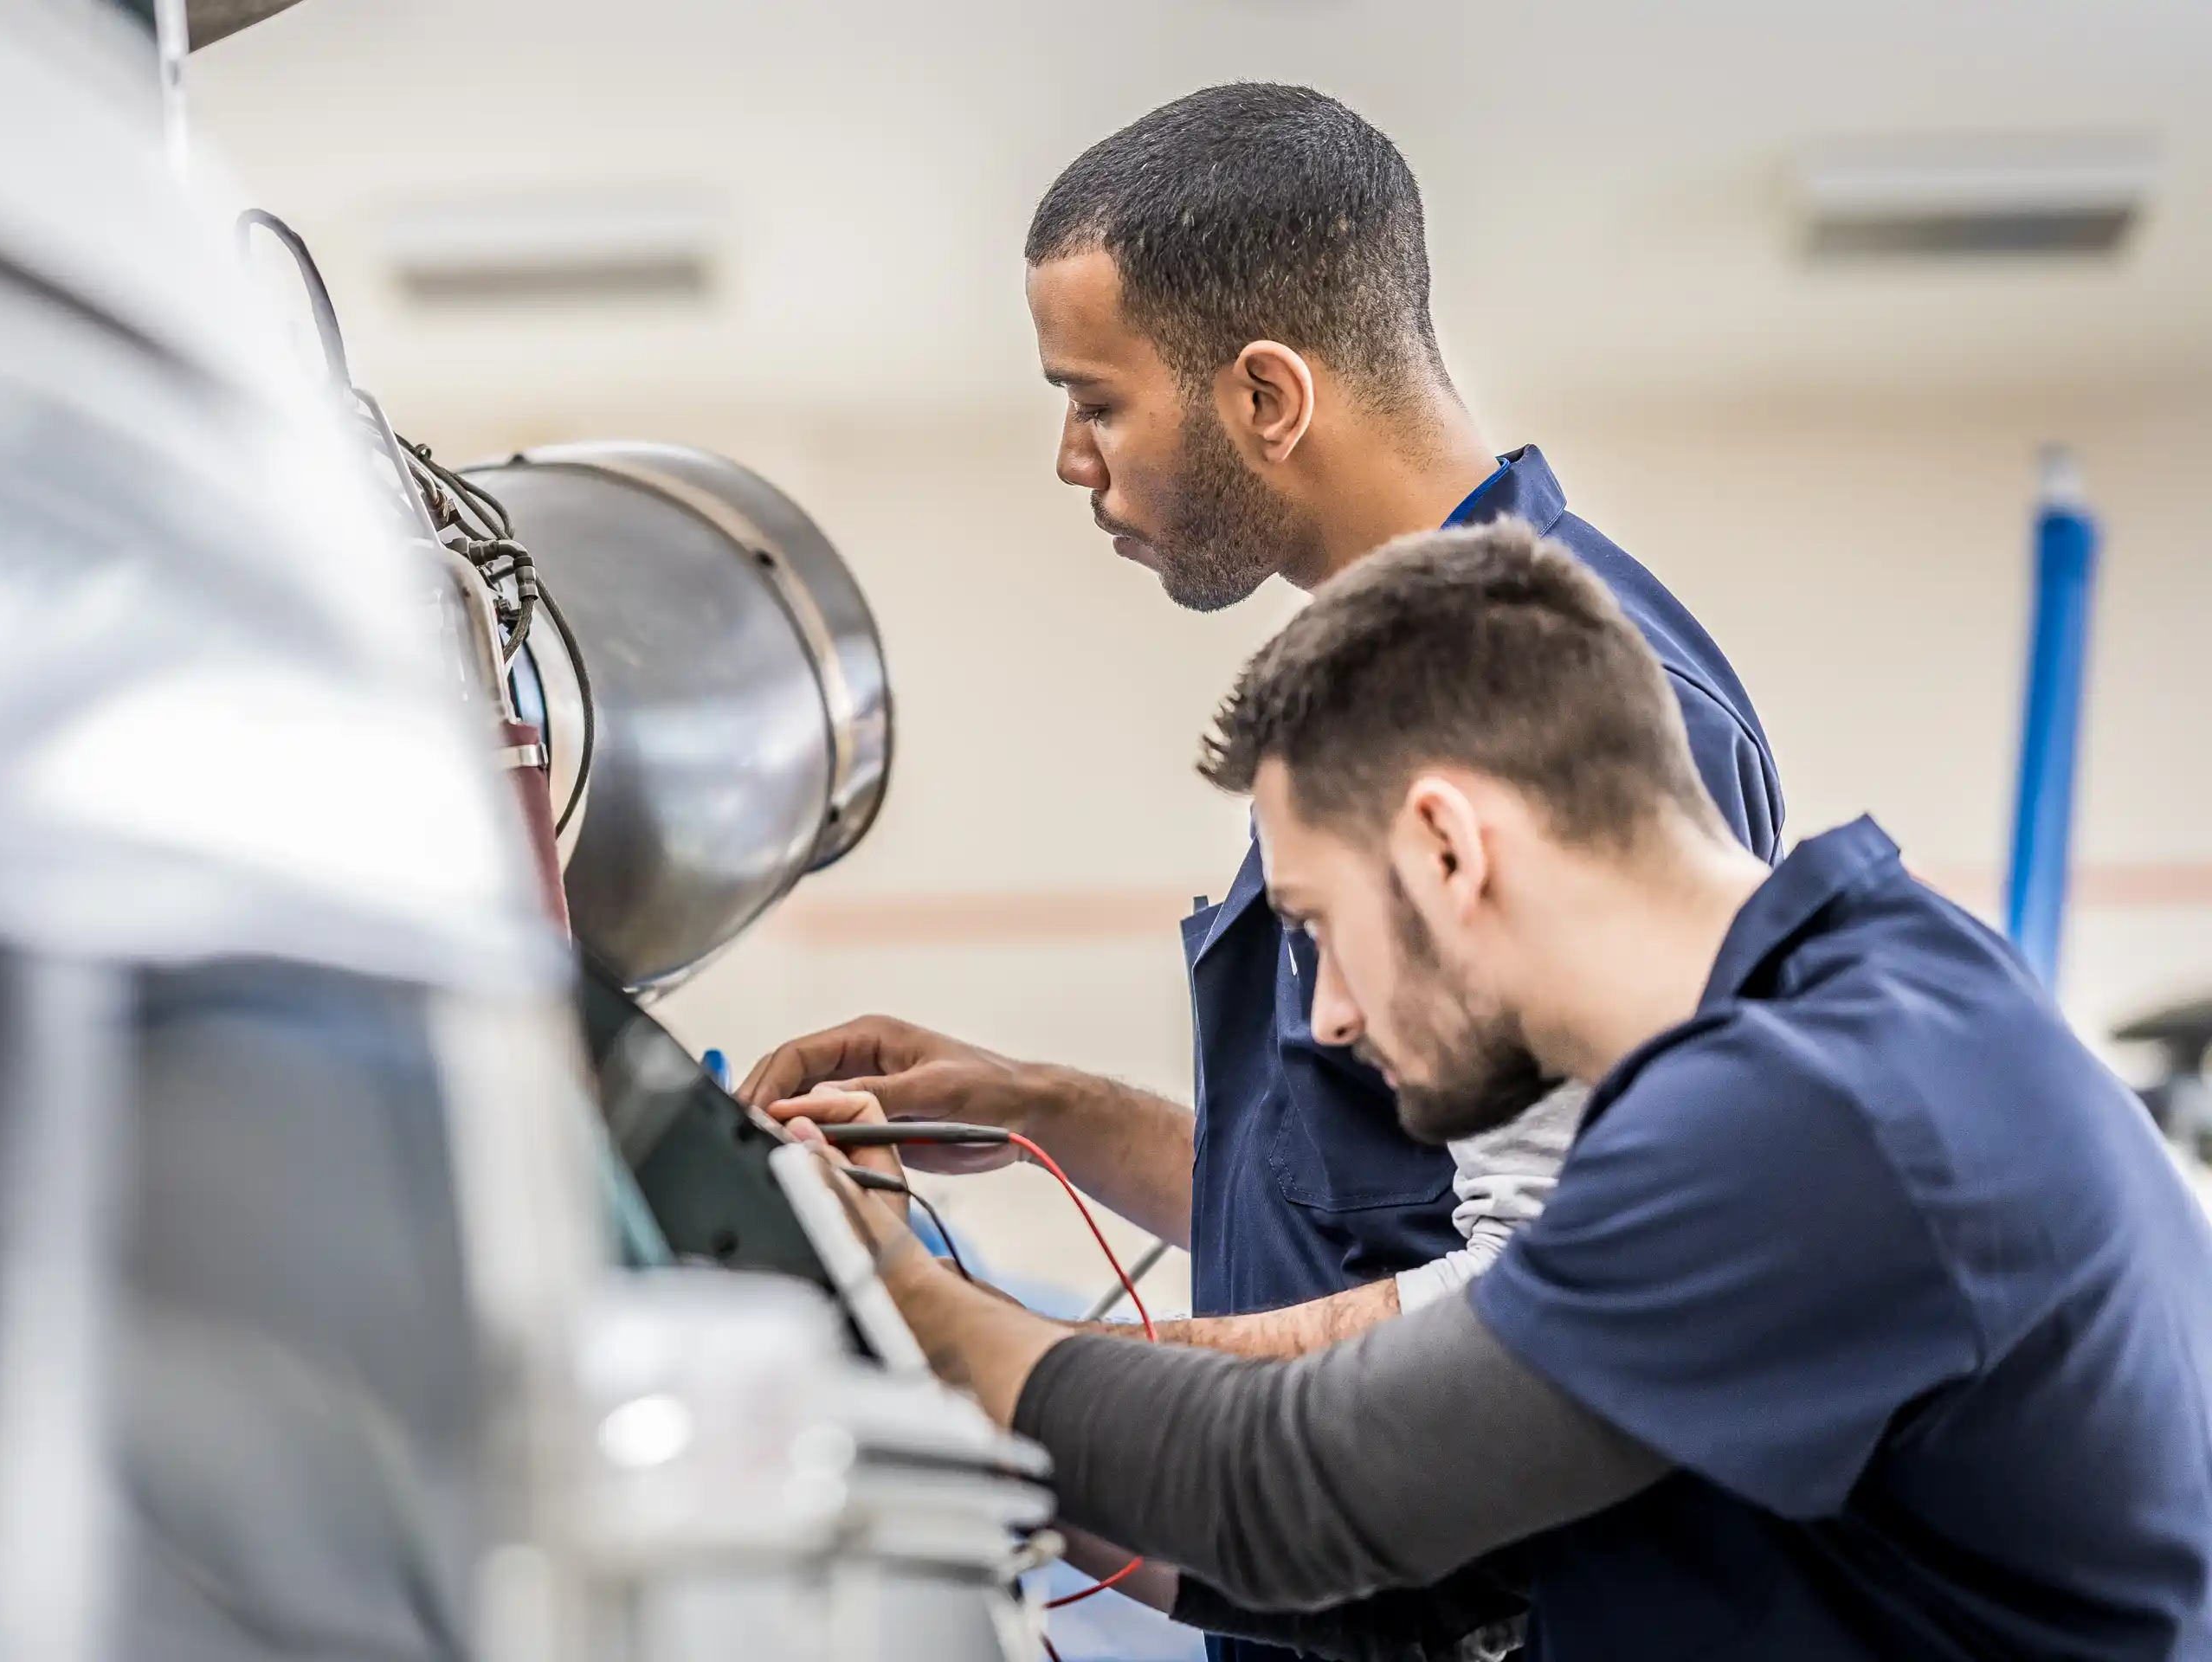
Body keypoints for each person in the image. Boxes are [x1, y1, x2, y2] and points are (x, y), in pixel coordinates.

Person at [782, 521, 2212, 1661]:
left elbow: (1302, 1482)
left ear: (1449, 847)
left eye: (1320, 927)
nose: (1328, 1019)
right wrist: (1011, 1449)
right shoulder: (1847, 1012)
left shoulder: (1825, 1112)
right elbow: (1436, 1569)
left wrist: (886, 1288)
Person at [743, 82, 1783, 1370]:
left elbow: (1578, 1284)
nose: (1074, 459)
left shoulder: (1540, 711)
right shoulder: (1388, 684)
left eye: (1098, 402)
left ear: (1268, 399)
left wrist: (1013, 1364)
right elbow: (1352, 1205)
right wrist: (1032, 1109)